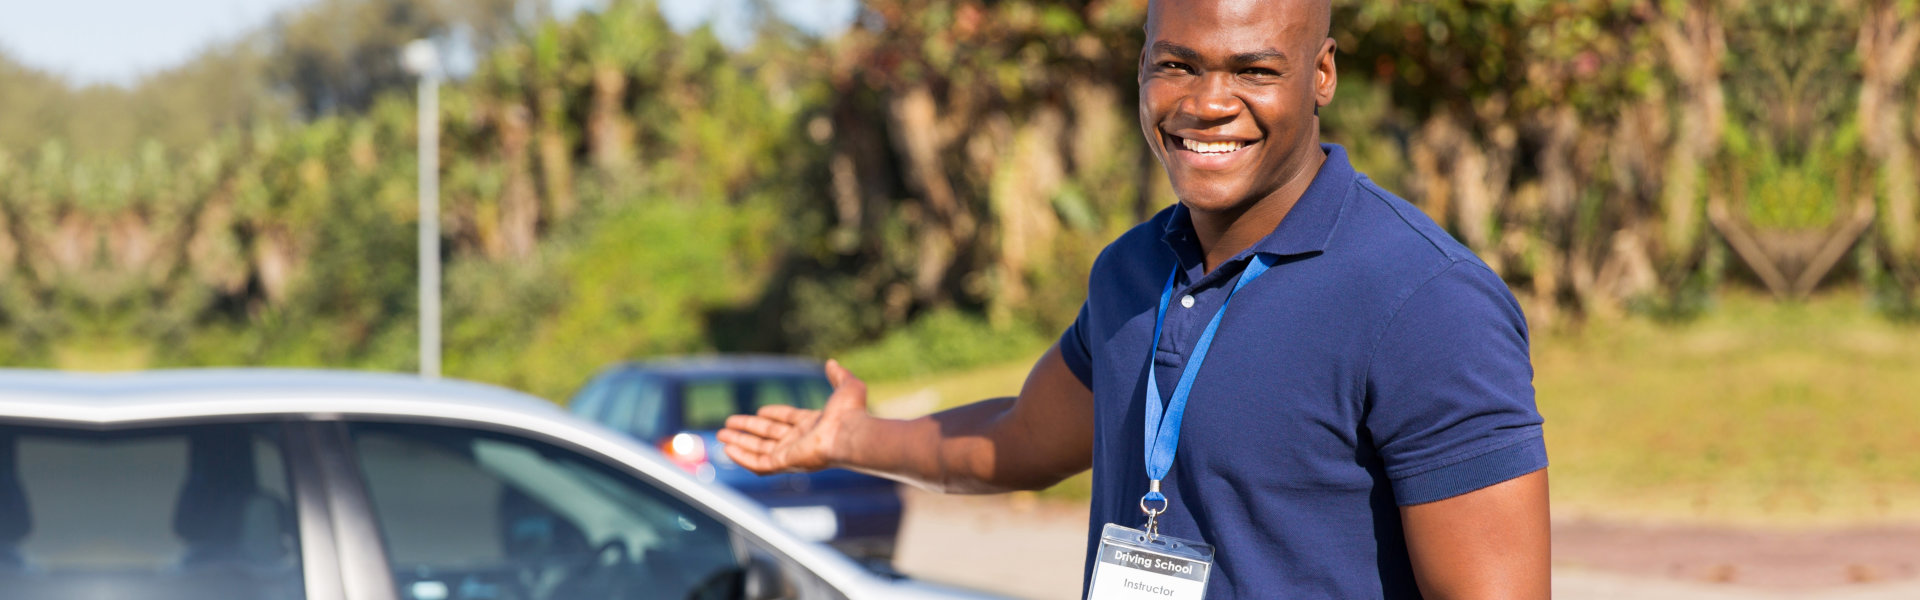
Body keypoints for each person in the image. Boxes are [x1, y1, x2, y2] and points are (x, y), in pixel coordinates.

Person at [719, 0, 1550, 597]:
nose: (1207, 103)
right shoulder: (1131, 270)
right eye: (1176, 65)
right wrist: (850, 435)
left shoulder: (1424, 300)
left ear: (1321, 74)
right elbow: (1021, 438)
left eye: (1254, 69)